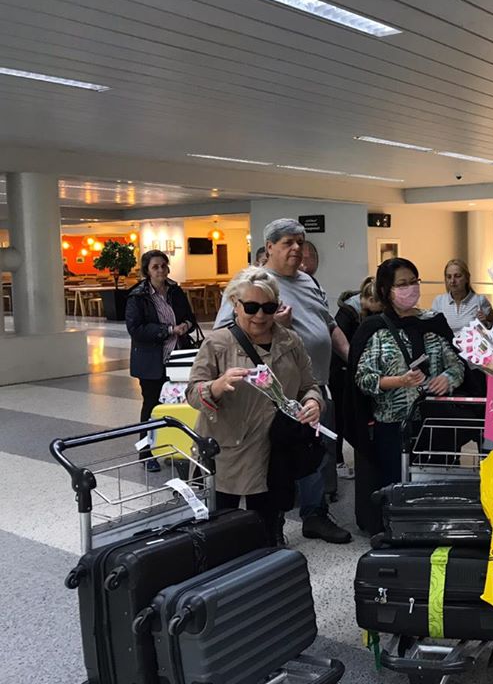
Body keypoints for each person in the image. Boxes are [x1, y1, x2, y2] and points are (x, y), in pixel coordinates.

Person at [214, 218, 351, 544]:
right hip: (272, 393)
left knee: (315, 452)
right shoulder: (252, 283)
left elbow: (328, 325)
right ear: (269, 247)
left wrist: (351, 356)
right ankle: (272, 522)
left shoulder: (309, 281)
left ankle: (314, 514)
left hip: (312, 386)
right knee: (274, 461)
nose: (296, 248)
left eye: (300, 242)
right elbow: (224, 334)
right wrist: (274, 324)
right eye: (288, 242)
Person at [187, 267, 322, 546]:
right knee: (223, 525)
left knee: (269, 520)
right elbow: (192, 392)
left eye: (268, 308)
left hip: (276, 448)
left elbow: (310, 384)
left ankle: (269, 554)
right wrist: (216, 386)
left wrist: (312, 402)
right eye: (251, 307)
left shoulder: (290, 341)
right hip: (229, 449)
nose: (260, 315)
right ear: (235, 305)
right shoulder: (217, 343)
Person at [349, 258, 464, 532]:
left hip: (435, 425)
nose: (410, 288)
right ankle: (397, 532)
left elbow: (457, 365)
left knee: (434, 482)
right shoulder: (375, 330)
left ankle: (432, 530)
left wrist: (447, 379)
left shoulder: (432, 323)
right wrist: (399, 381)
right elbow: (363, 379)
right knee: (396, 484)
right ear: (386, 290)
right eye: (402, 284)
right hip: (393, 426)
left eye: (414, 282)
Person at [126, 249, 198, 471]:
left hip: (178, 358)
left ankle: (175, 446)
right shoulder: (137, 296)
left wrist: (185, 325)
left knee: (177, 404)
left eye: (164, 266)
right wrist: (167, 330)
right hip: (152, 361)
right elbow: (135, 329)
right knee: (151, 405)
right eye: (155, 267)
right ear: (147, 270)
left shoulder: (175, 290)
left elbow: (190, 317)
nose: (160, 270)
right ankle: (146, 453)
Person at [329, 276, 381, 479]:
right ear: (369, 299)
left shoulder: (366, 310)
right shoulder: (347, 313)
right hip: (342, 370)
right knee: (341, 416)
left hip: (358, 367)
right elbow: (341, 345)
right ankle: (338, 460)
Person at [431, 258, 493, 333]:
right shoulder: (439, 301)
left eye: (457, 276)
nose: (452, 281)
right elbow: (432, 330)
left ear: (467, 278)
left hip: (471, 340)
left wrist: (486, 323)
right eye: (449, 277)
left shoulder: (480, 300)